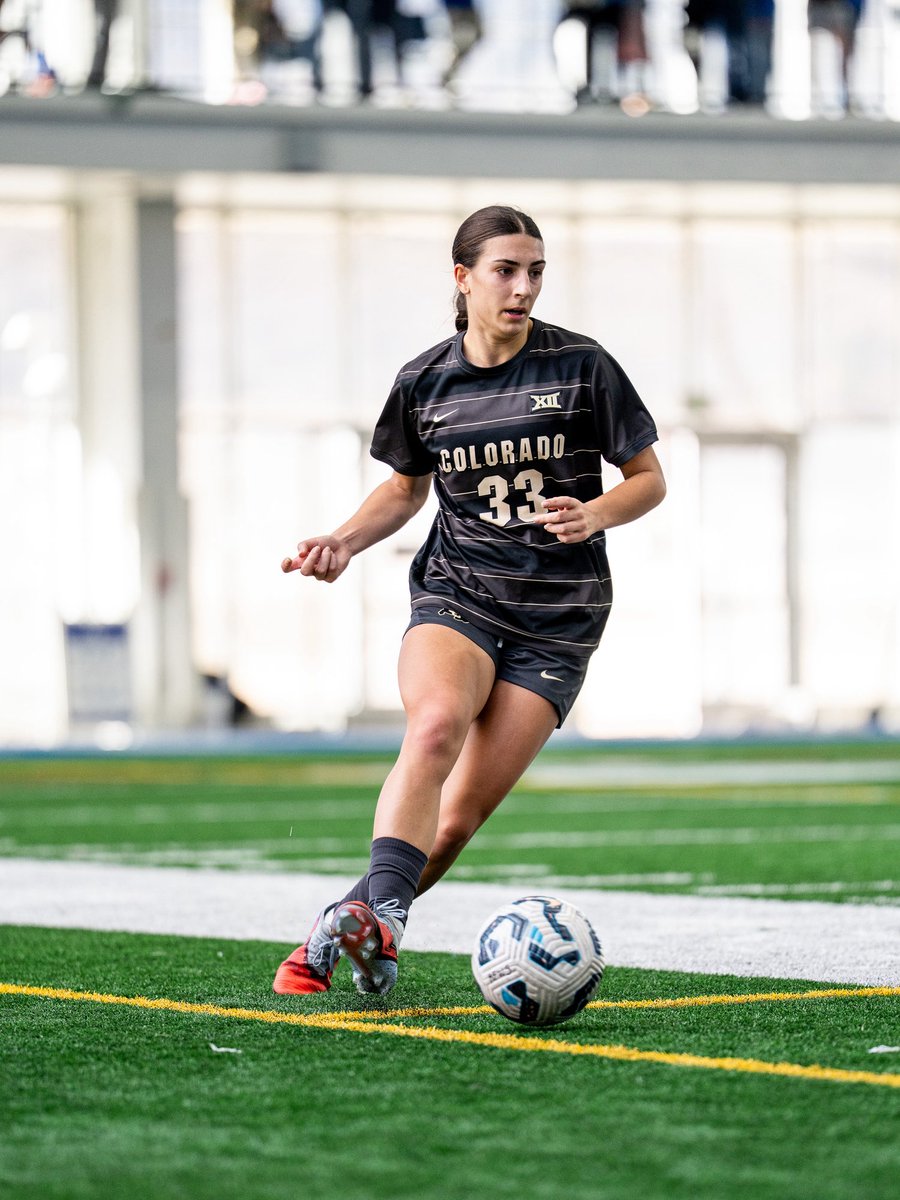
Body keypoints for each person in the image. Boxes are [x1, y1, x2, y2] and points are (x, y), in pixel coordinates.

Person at [273, 204, 666, 998]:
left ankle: (342, 927)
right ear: (463, 278)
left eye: (536, 271)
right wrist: (345, 542)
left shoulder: (583, 365)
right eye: (505, 271)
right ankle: (383, 922)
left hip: (561, 620)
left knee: (454, 824)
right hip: (462, 594)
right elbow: (405, 489)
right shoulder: (424, 381)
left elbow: (649, 480)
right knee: (436, 726)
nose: (523, 288)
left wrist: (596, 512)